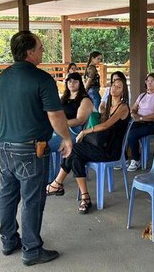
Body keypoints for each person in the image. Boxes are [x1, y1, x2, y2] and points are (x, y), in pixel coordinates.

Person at [0, 30, 72, 266]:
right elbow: (56, 115)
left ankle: (8, 241)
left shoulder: (3, 77)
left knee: (7, 194)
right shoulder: (42, 79)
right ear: (29, 52)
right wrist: (67, 138)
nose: (42, 51)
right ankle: (32, 249)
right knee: (32, 198)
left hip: (4, 145)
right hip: (30, 148)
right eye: (39, 47)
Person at [45, 76, 130, 213]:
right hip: (101, 145)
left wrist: (85, 132)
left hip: (111, 150)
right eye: (113, 85)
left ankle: (57, 183)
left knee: (74, 149)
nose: (114, 88)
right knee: (76, 155)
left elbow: (106, 125)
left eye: (119, 87)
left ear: (123, 91)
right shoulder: (107, 106)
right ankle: (85, 197)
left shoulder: (123, 107)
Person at [126, 73, 154, 171]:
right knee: (124, 131)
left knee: (132, 135)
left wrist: (140, 118)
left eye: (152, 81)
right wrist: (134, 114)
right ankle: (124, 158)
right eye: (148, 80)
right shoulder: (142, 95)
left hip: (152, 124)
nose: (149, 83)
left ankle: (136, 160)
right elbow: (134, 109)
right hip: (138, 122)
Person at [47, 72, 94, 153]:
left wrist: (60, 123)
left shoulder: (85, 100)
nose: (72, 83)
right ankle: (52, 166)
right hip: (60, 130)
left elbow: (80, 120)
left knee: (46, 145)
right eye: (69, 81)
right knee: (41, 139)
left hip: (75, 133)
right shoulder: (63, 99)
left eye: (75, 81)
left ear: (80, 83)